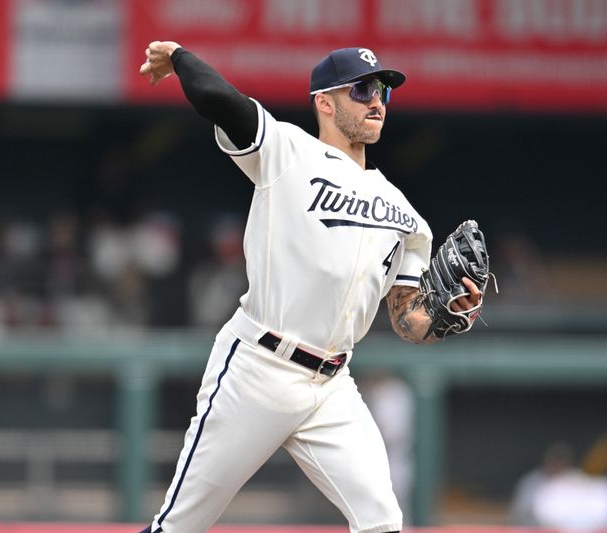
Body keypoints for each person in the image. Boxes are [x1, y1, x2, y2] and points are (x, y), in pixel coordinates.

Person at [136, 42, 483, 533]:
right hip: (259, 367)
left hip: (332, 385)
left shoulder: (405, 213)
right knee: (180, 525)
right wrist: (180, 58)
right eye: (362, 89)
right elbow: (223, 101)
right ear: (324, 101)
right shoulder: (287, 151)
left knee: (382, 520)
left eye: (383, 90)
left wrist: (451, 316)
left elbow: (407, 319)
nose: (377, 101)